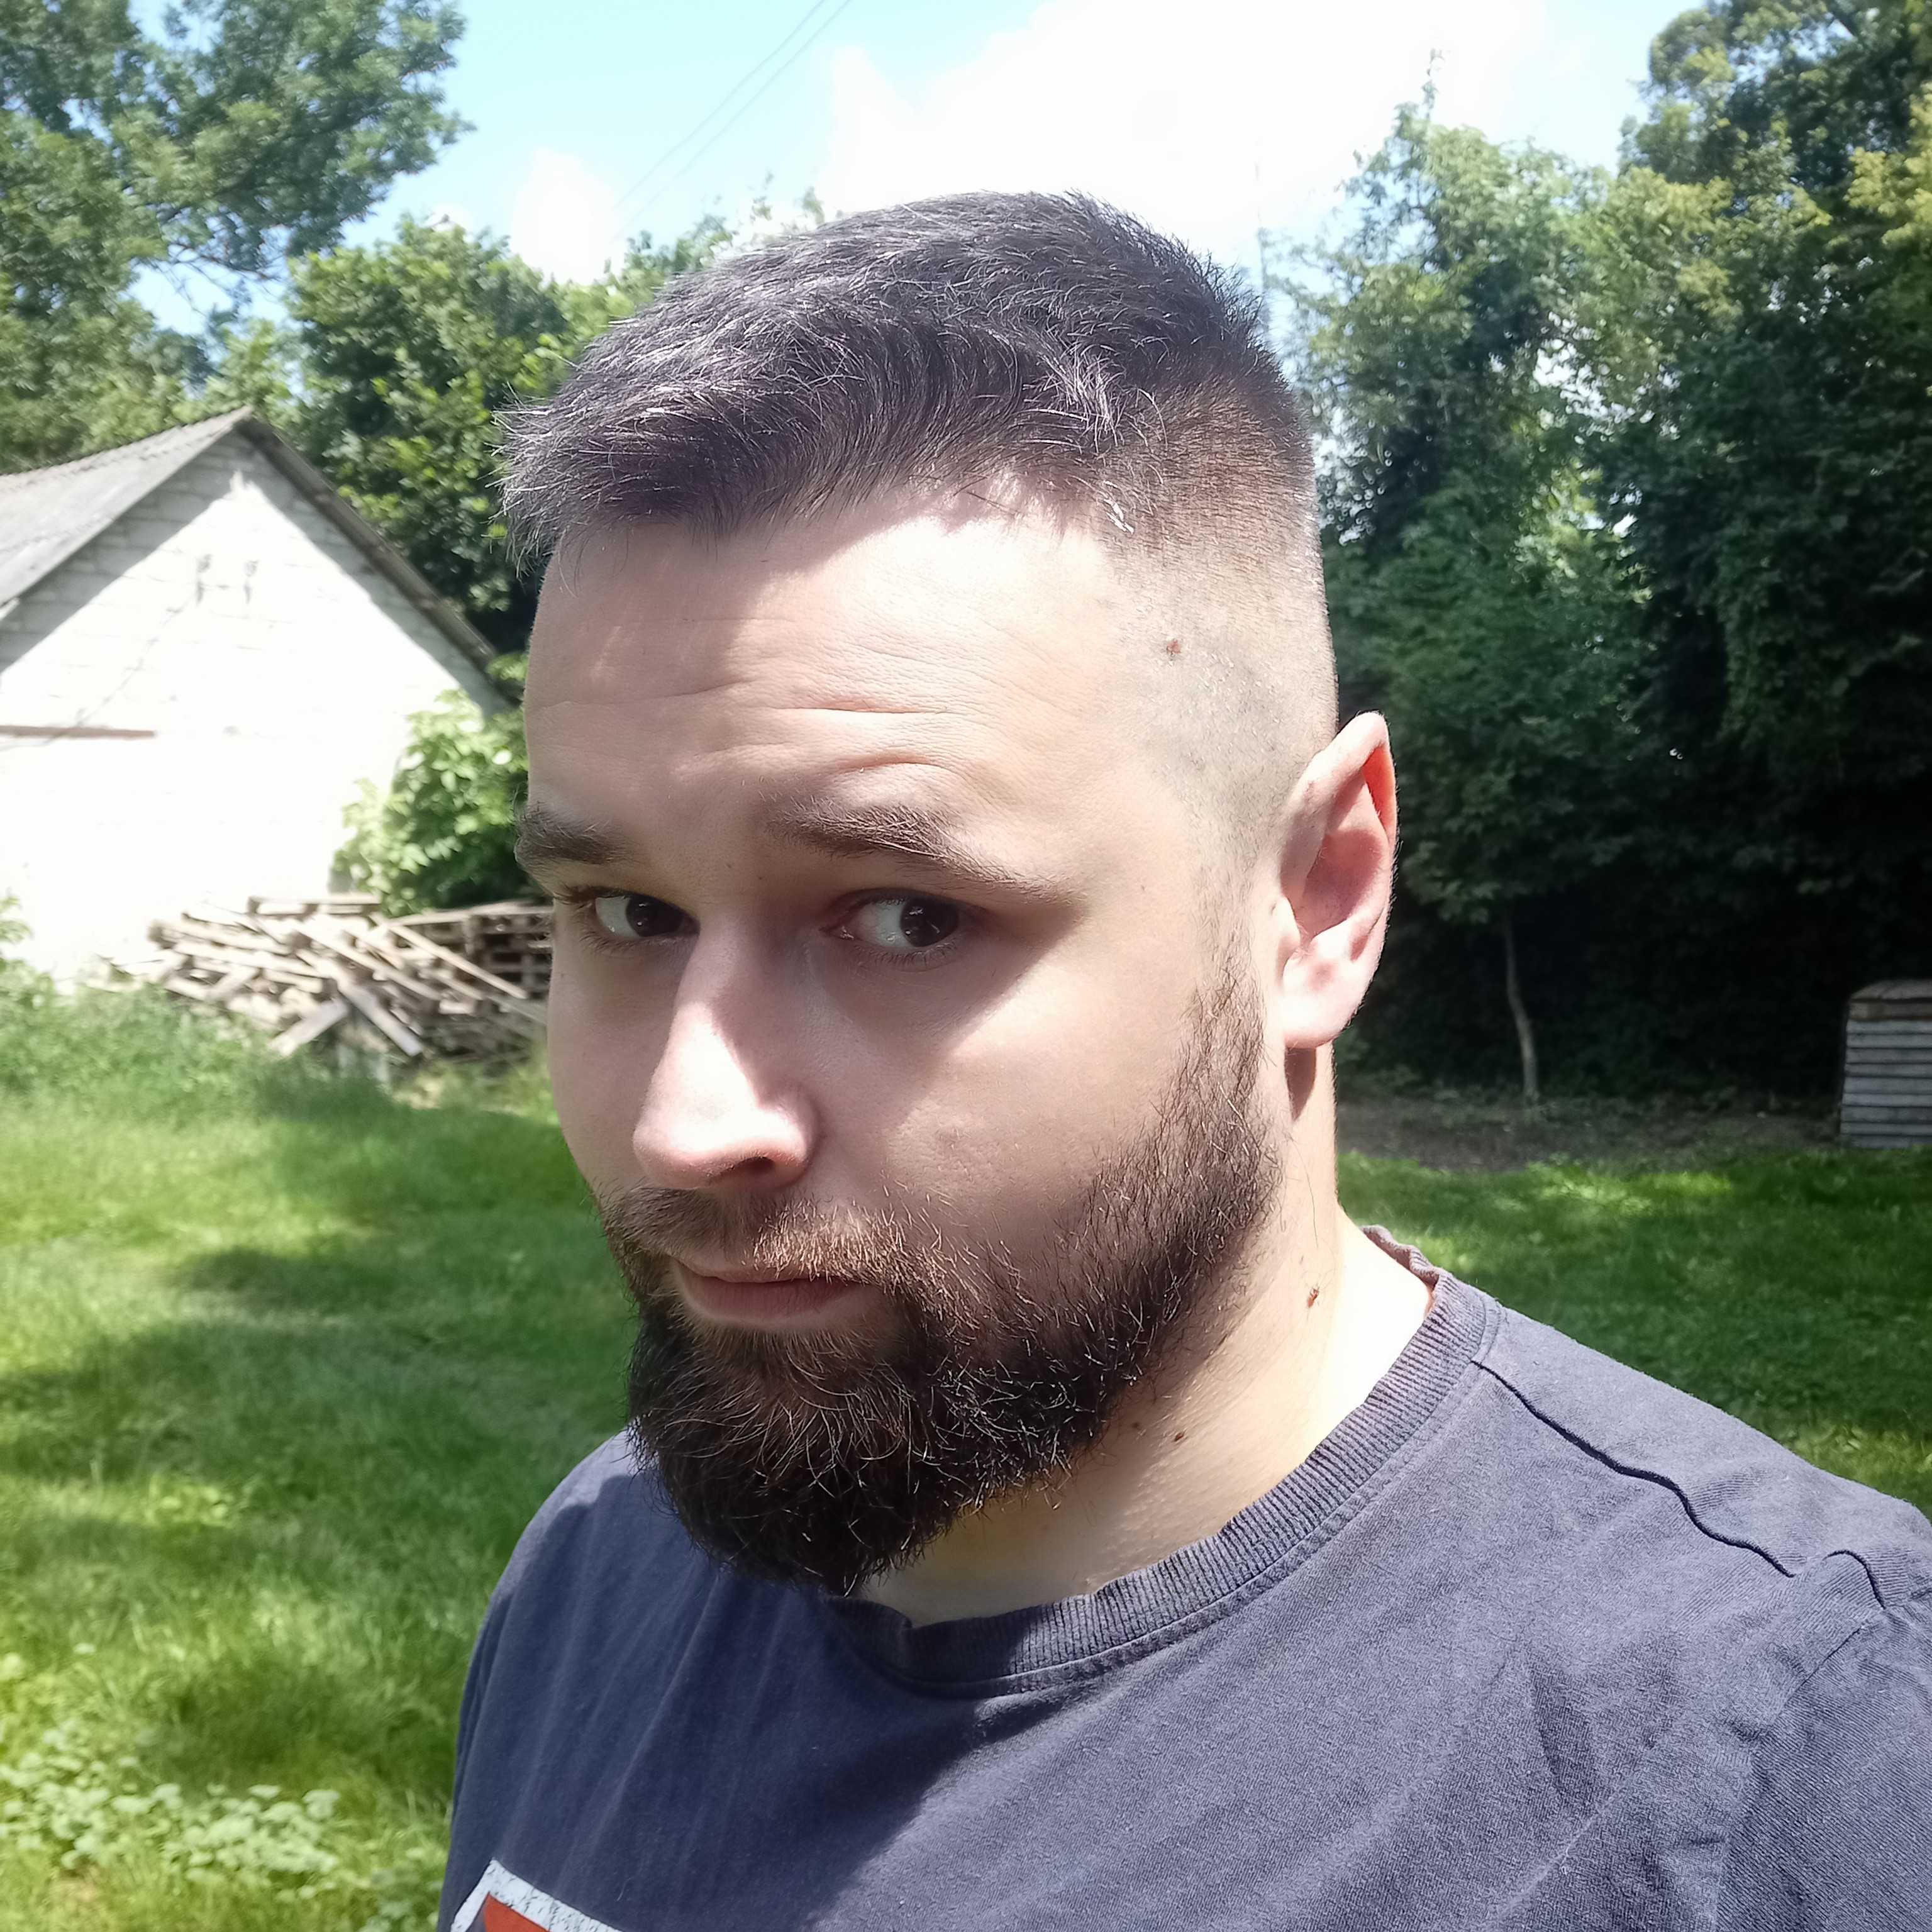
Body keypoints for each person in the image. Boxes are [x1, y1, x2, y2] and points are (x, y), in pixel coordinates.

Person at [440, 193, 1932, 1932]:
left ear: (1318, 898)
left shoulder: (1799, 1779)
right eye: (626, 911)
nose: (686, 1123)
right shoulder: (599, 1562)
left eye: (908, 918)